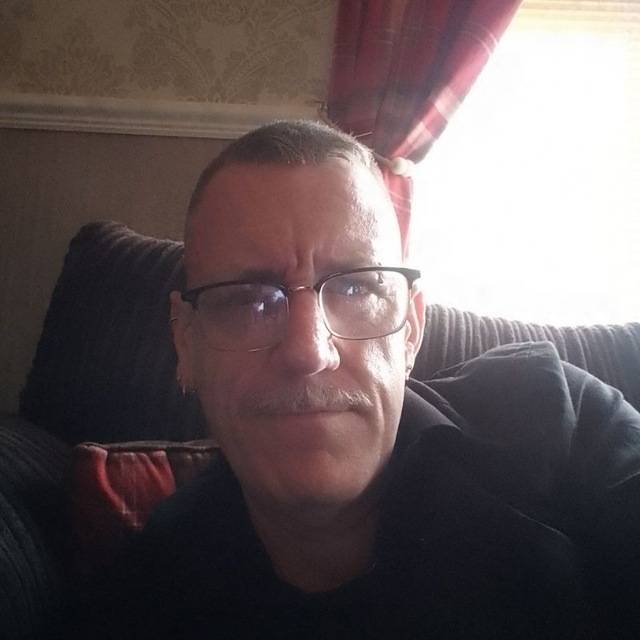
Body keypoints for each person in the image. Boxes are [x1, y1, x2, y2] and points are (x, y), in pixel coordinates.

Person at [75, 121, 640, 639]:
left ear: (411, 328)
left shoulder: (564, 422)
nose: (308, 351)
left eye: (355, 288)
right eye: (247, 300)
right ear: (185, 340)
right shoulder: (141, 602)